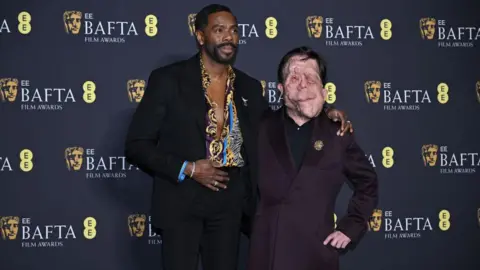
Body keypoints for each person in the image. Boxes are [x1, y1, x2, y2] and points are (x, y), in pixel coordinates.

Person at [124, 4, 353, 270]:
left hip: (230, 206)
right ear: (200, 36)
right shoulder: (168, 79)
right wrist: (189, 168)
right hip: (180, 204)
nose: (228, 37)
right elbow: (137, 144)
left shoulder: (249, 86)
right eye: (219, 30)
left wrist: (323, 112)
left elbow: (280, 121)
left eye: (233, 30)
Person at [246, 46, 379, 270]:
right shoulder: (259, 127)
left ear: (324, 88)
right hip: (267, 252)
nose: (303, 83)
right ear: (281, 88)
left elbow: (368, 182)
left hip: (315, 254)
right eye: (294, 77)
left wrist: (352, 226)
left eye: (311, 77)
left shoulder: (338, 133)